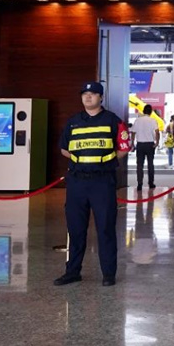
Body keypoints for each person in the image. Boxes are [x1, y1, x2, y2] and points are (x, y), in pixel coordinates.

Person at [54, 82, 130, 287]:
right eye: (85, 94)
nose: (88, 97)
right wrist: (82, 161)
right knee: (75, 228)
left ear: (101, 98)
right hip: (77, 181)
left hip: (102, 181)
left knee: (105, 228)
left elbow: (124, 147)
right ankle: (72, 272)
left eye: (93, 94)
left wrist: (105, 162)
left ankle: (108, 274)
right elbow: (64, 149)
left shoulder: (112, 120)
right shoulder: (73, 122)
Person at [132, 104, 159, 190]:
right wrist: (157, 142)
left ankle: (139, 184)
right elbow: (157, 132)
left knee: (139, 165)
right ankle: (151, 183)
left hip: (140, 144)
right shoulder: (153, 120)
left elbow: (133, 132)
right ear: (151, 112)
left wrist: (132, 143)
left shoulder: (137, 120)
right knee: (150, 164)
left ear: (143, 111)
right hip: (150, 144)